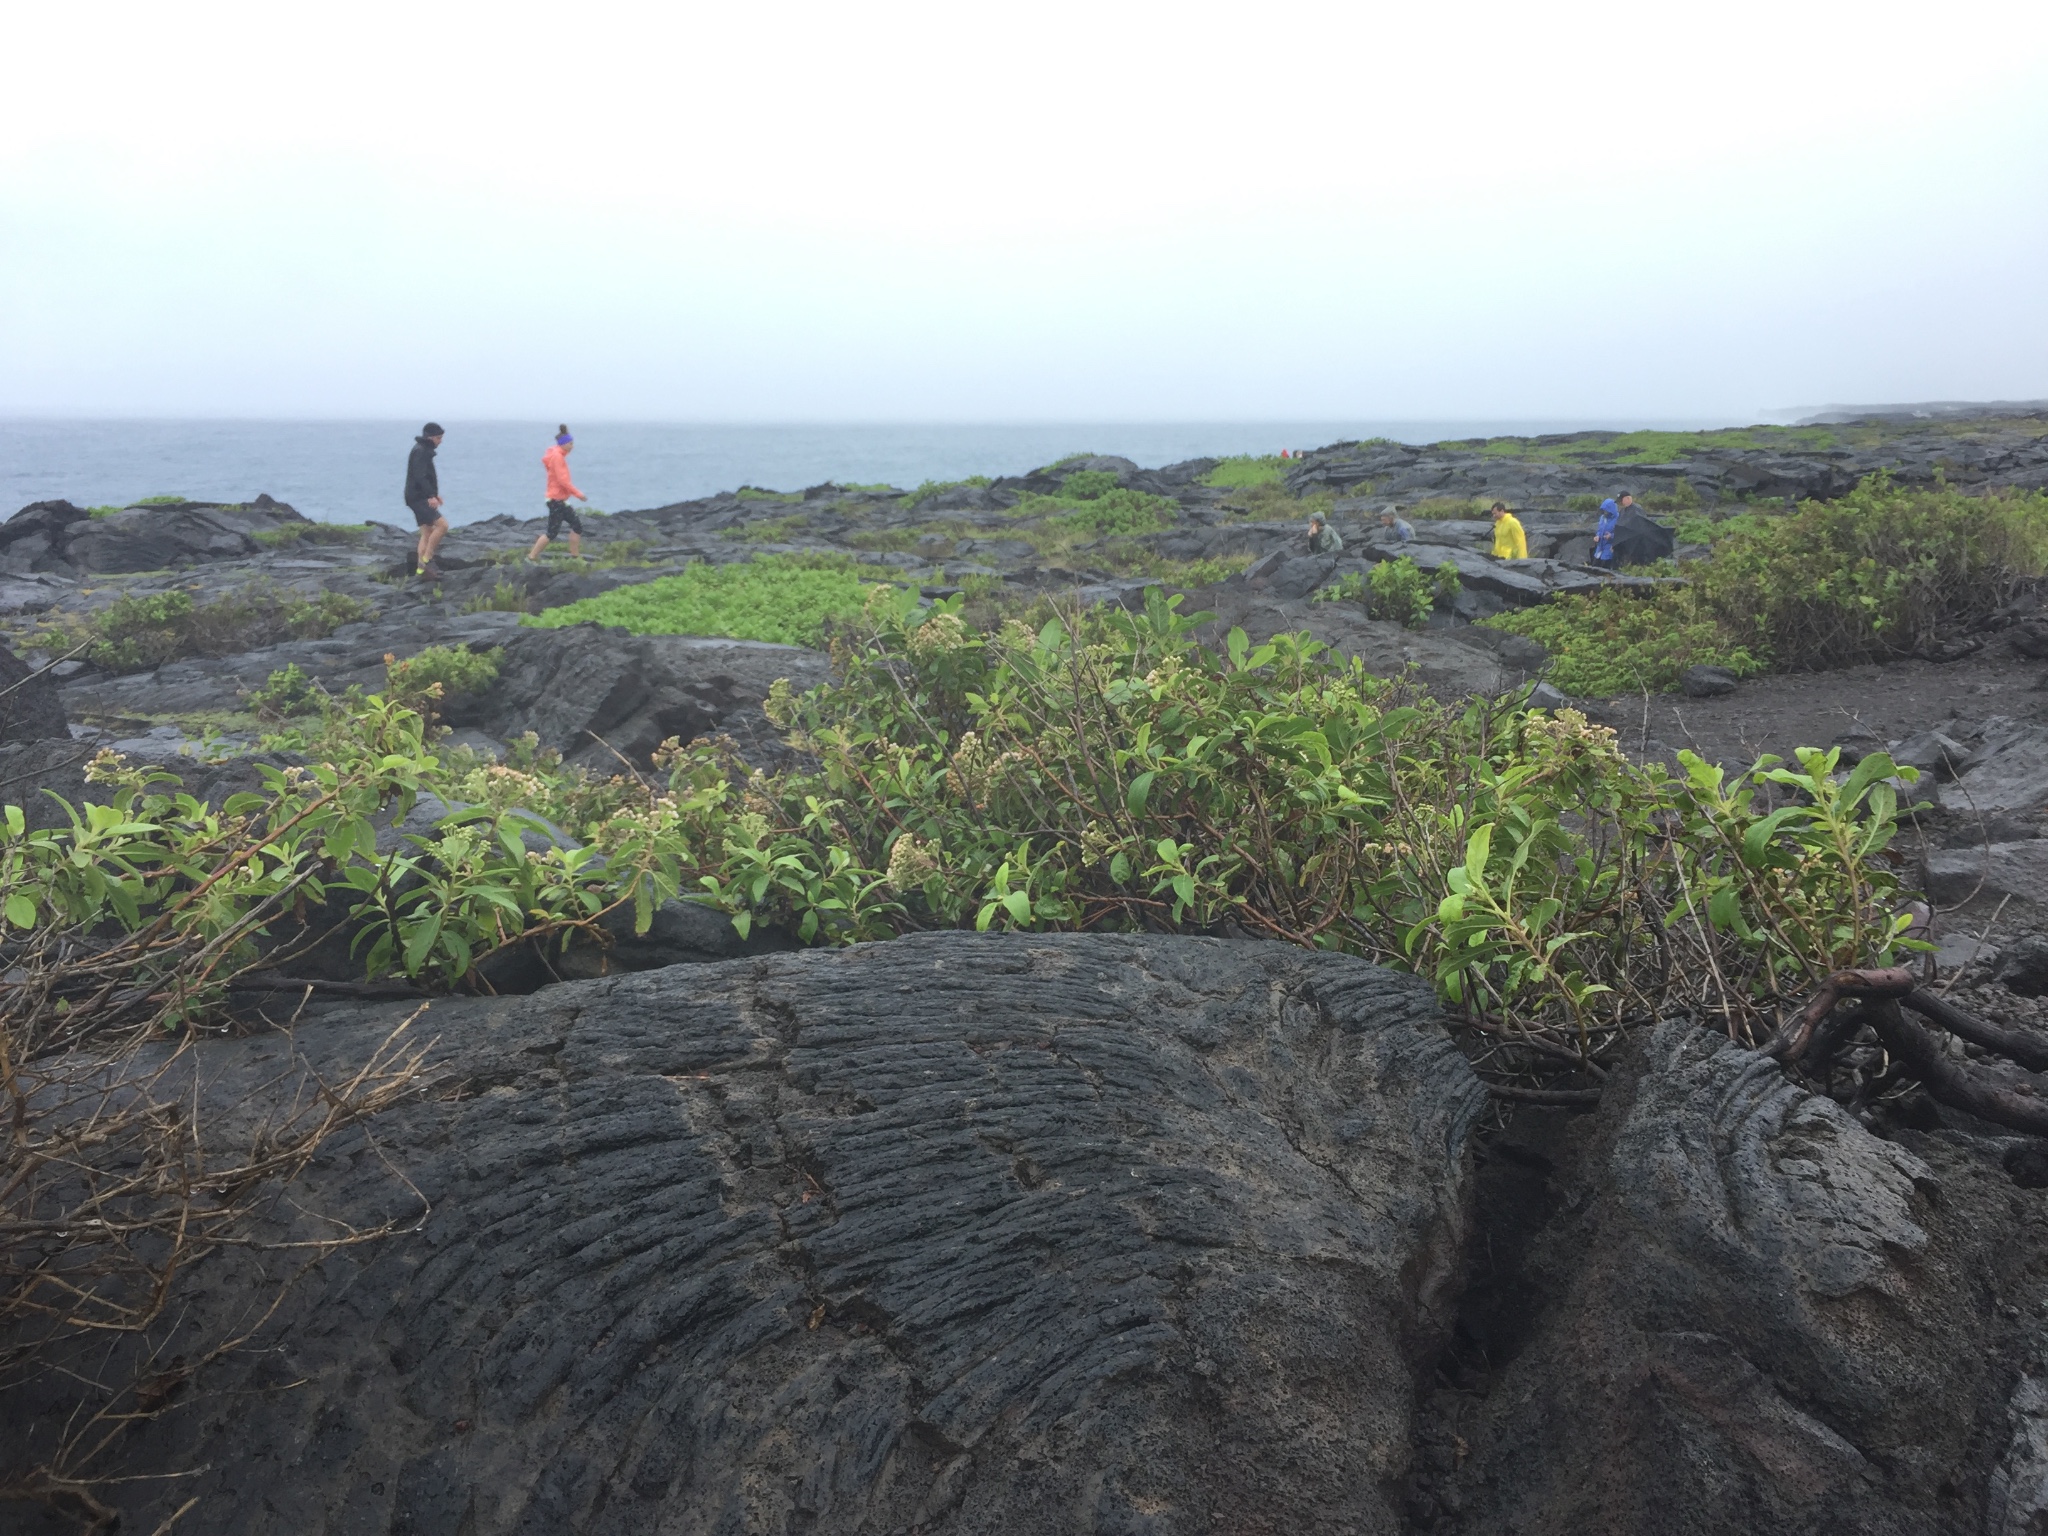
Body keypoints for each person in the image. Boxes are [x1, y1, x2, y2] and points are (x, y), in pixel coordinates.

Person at [527, 425, 589, 562]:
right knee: (552, 533)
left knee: (577, 526)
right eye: (570, 444)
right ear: (563, 444)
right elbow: (562, 481)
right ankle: (531, 557)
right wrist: (579, 494)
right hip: (556, 500)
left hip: (561, 500)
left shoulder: (557, 454)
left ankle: (575, 557)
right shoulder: (557, 457)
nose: (572, 446)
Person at [405, 422, 449, 579]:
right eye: (438, 438)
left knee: (427, 532)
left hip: (416, 496)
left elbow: (427, 476)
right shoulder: (421, 451)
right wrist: (430, 495)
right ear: (430, 437)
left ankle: (421, 570)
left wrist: (435, 494)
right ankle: (428, 559)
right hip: (418, 498)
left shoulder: (423, 450)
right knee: (443, 526)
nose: (440, 441)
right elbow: (420, 476)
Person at [1593, 498, 1620, 565]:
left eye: (1606, 510)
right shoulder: (1602, 518)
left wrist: (1611, 536)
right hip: (1600, 547)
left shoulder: (1618, 519)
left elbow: (1621, 534)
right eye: (1604, 510)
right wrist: (1597, 536)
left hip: (1610, 548)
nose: (1605, 512)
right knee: (1594, 566)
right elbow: (1599, 530)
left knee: (1605, 567)